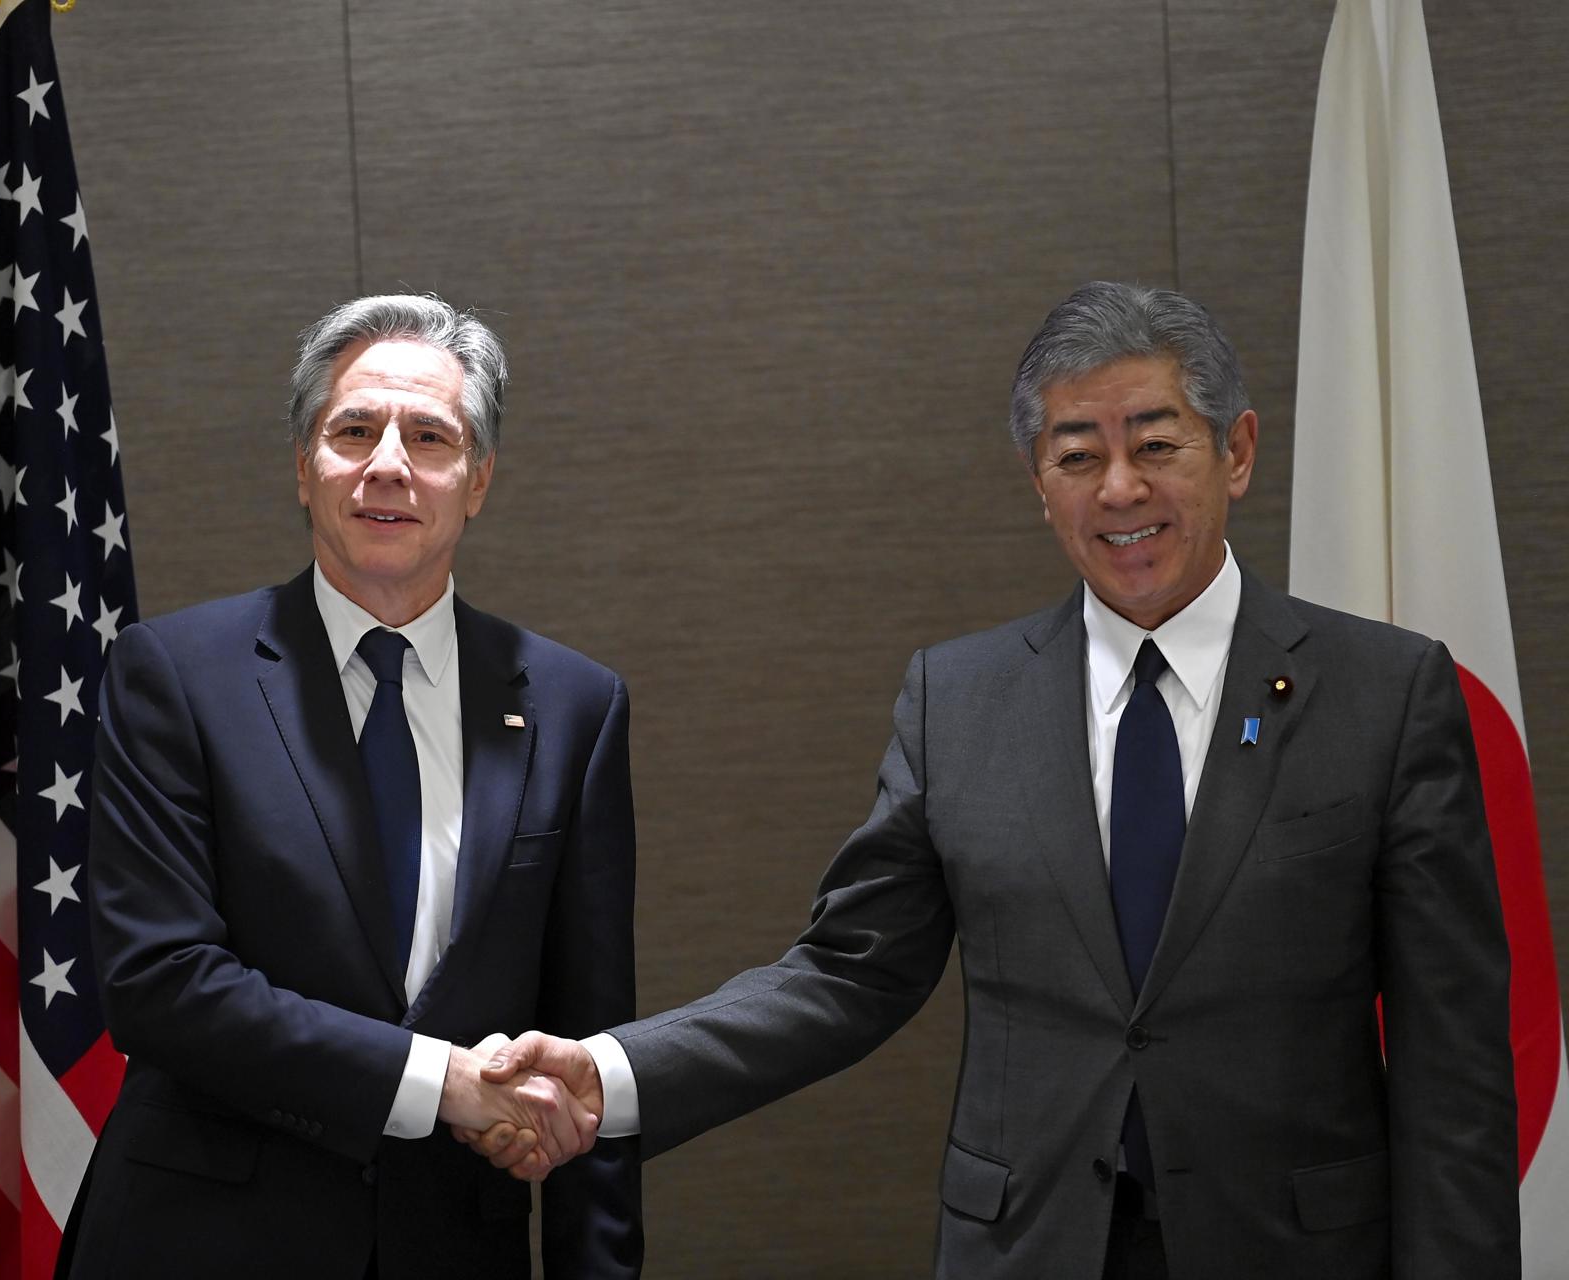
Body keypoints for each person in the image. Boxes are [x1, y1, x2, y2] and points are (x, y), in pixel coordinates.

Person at [468, 282, 1518, 1278]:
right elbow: (847, 972)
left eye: (1156, 444)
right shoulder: (959, 700)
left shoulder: (1386, 692)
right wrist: (614, 1071)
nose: (1120, 488)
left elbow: (1456, 1058)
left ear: (1235, 451)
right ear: (1038, 480)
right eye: (1079, 454)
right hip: (1031, 1244)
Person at [56, 294, 640, 1280]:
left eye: (430, 436)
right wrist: (440, 1081)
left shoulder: (575, 705)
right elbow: (159, 985)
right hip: (201, 1243)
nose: (388, 465)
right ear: (303, 465)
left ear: (479, 480)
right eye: (354, 429)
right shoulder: (176, 673)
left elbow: (589, 1051)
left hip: (456, 1247)